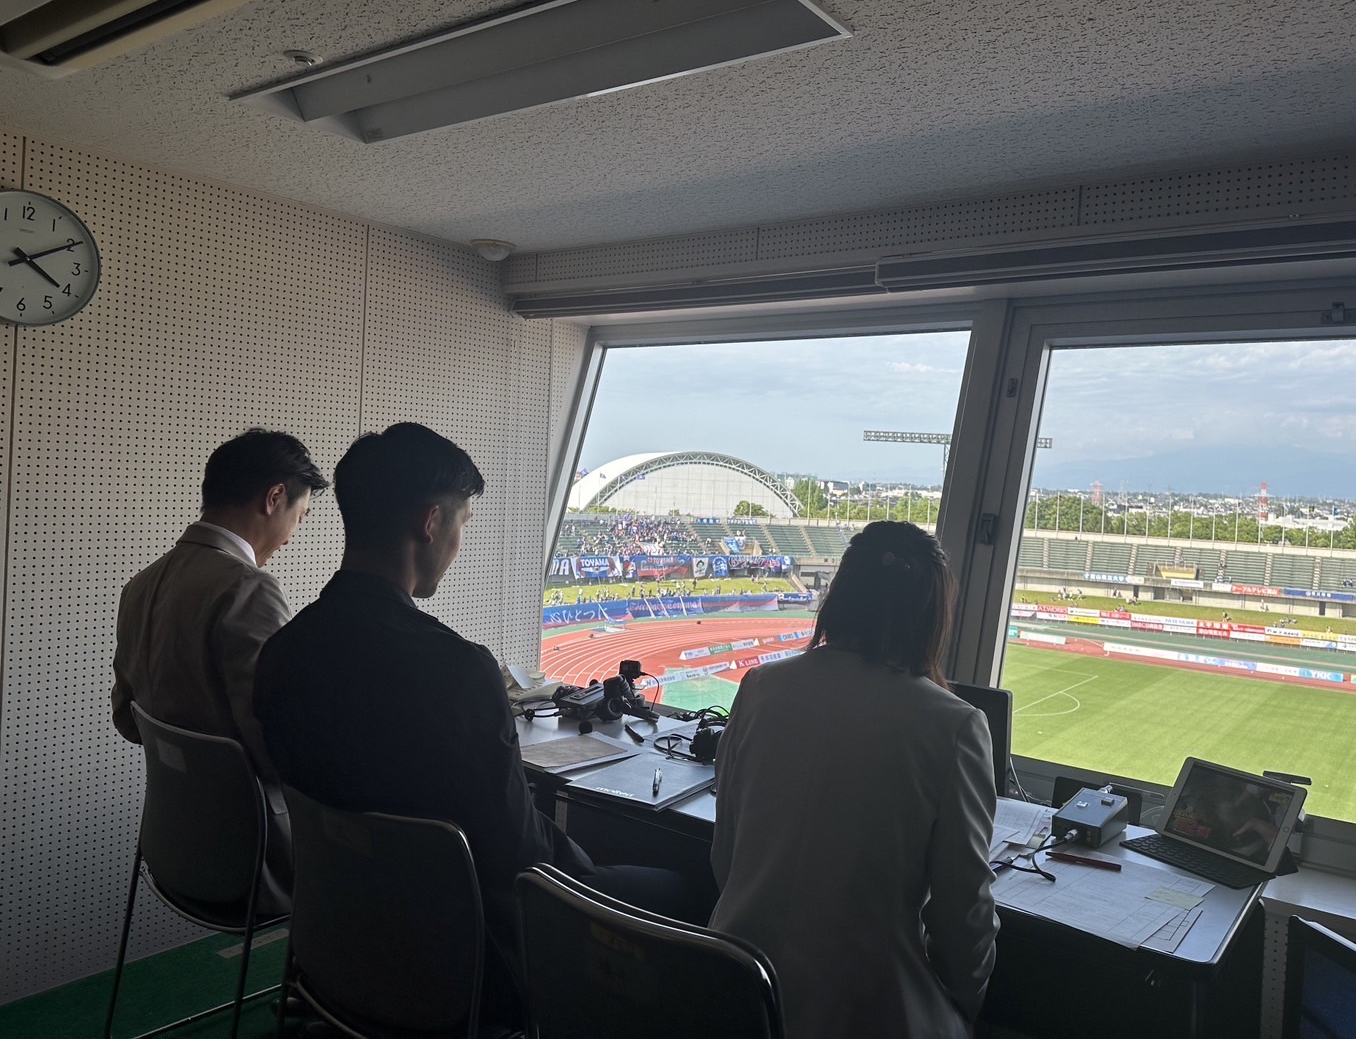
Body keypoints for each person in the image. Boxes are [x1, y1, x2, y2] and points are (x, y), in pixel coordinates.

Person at [255, 423, 690, 1029]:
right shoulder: (457, 671)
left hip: (337, 949)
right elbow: (520, 854)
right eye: (462, 523)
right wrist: (590, 866)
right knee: (681, 888)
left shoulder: (281, 654)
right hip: (472, 969)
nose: (459, 544)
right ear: (430, 523)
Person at [710, 520, 998, 1039]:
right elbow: (963, 920)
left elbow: (725, 856)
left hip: (735, 993)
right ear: (932, 614)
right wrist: (962, 1007)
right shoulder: (955, 726)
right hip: (866, 1011)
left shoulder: (758, 687)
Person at [112, 428, 328, 906]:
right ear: (274, 498)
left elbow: (127, 720)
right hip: (256, 855)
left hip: (171, 844)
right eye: (300, 517)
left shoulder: (141, 584)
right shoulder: (248, 588)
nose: (291, 538)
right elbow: (278, 749)